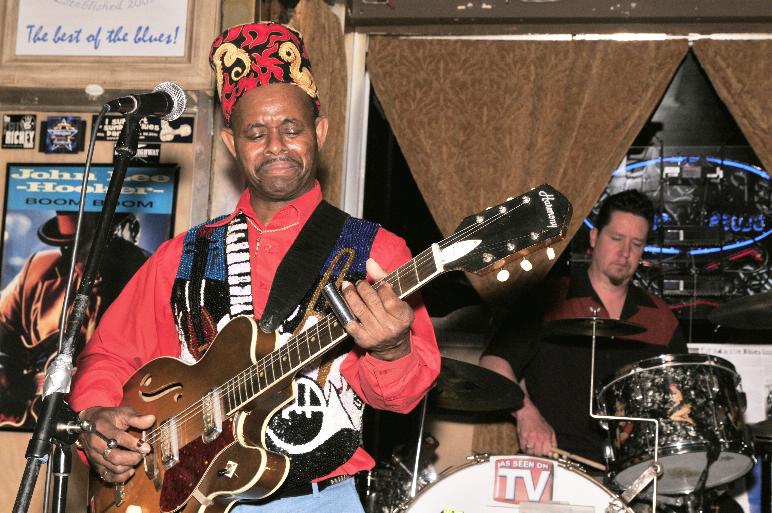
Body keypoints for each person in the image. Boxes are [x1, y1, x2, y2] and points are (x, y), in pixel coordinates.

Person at [69, 21, 440, 512]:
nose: (276, 146)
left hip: (317, 501)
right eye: (256, 133)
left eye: (292, 129)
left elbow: (400, 396)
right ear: (231, 143)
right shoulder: (180, 254)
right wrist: (95, 416)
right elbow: (108, 355)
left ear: (320, 132)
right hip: (183, 498)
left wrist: (392, 349)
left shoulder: (376, 253)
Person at [480, 189, 687, 464]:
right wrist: (526, 414)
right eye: (616, 239)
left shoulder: (660, 317)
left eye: (636, 244)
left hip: (635, 468)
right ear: (594, 237)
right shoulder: (550, 299)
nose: (625, 253)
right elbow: (493, 362)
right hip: (557, 462)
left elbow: (680, 396)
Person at [0, 212, 148, 428]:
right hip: (34, 422)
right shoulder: (37, 269)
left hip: (110, 416)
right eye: (71, 249)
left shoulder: (145, 273)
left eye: (94, 248)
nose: (83, 261)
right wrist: (20, 385)